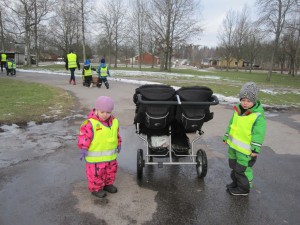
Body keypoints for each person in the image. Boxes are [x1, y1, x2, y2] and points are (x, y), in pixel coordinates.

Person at [223, 82, 266, 196]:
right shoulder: (238, 111)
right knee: (234, 166)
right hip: (234, 147)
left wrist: (255, 149)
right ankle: (236, 183)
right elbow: (231, 125)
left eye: (248, 101)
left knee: (242, 170)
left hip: (246, 151)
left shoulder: (257, 116)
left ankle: (243, 189)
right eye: (243, 100)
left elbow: (259, 133)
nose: (245, 103)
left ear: (254, 101)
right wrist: (226, 136)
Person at [77, 96, 122, 198]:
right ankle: (95, 188)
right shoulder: (90, 123)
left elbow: (116, 135)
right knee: (96, 174)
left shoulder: (114, 122)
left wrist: (119, 143)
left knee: (110, 171)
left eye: (108, 112)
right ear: (96, 110)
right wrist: (84, 148)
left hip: (110, 156)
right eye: (102, 112)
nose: (105, 115)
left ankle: (107, 184)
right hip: (95, 158)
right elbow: (84, 137)